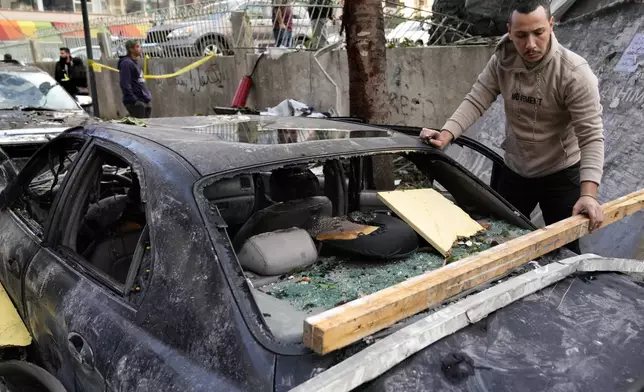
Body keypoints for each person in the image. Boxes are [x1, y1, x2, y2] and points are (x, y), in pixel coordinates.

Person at [419, 0, 605, 254]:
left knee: (564, 251)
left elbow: (591, 137)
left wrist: (589, 194)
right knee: (499, 241)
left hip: (561, 173)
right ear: (510, 31)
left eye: (538, 33)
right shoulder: (502, 61)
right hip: (515, 169)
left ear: (551, 25)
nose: (530, 44)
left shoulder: (574, 73)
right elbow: (477, 98)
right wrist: (447, 133)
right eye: (521, 35)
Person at [117, 40, 152, 118]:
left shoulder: (135, 63)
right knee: (139, 127)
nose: (140, 49)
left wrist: (147, 96)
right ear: (131, 49)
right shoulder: (126, 63)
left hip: (143, 100)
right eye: (137, 47)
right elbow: (125, 84)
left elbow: (140, 81)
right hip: (136, 102)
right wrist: (134, 100)